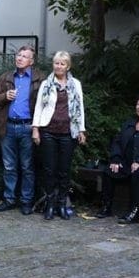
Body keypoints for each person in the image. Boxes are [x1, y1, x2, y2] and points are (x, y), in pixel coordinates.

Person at [31, 51, 87, 220]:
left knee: (64, 170)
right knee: (49, 170)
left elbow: (80, 108)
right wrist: (35, 129)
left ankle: (61, 204)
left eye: (62, 64)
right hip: (48, 131)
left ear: (68, 66)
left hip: (68, 132)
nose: (59, 66)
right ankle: (49, 204)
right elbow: (39, 107)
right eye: (56, 63)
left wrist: (81, 130)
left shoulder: (75, 84)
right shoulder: (46, 84)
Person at [0, 45, 45, 215]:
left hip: (28, 127)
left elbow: (45, 103)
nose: (20, 58)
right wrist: (4, 96)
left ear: (31, 61)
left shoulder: (40, 79)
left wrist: (37, 127)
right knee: (9, 166)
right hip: (7, 126)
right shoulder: (6, 76)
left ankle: (26, 201)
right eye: (18, 55)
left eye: (24, 56)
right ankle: (9, 199)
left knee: (27, 166)